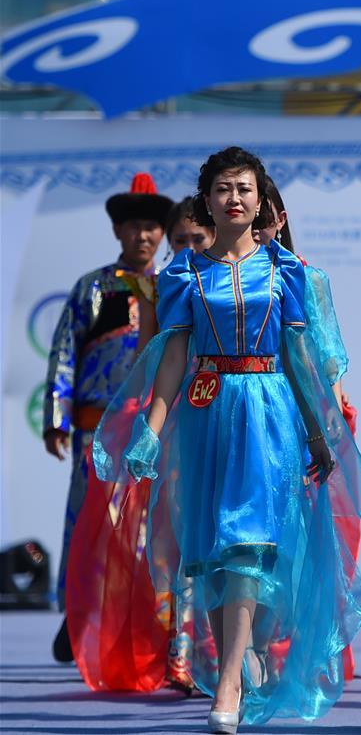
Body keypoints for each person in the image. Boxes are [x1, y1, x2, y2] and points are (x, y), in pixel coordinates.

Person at [93, 147, 361, 734]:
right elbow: (173, 355)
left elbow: (299, 356)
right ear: (207, 200)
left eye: (245, 188)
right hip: (207, 411)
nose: (235, 199)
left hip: (270, 412)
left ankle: (227, 678)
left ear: (260, 199)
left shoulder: (286, 271)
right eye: (224, 188)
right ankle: (236, 662)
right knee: (215, 551)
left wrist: (319, 432)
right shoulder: (184, 273)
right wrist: (150, 428)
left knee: (249, 542)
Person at [65, 198, 216, 694]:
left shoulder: (239, 280)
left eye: (199, 240)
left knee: (219, 538)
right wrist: (141, 424)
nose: (189, 249)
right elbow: (151, 361)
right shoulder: (159, 287)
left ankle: (223, 654)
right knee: (170, 544)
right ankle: (178, 654)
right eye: (181, 242)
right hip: (175, 426)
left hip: (224, 422)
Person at [43, 173, 172, 663]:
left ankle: (153, 628)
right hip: (97, 433)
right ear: (118, 232)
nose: (143, 236)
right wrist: (56, 417)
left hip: (156, 433)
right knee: (88, 526)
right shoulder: (92, 288)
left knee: (151, 531)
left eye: (152, 228)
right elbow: (64, 353)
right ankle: (75, 615)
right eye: (134, 227)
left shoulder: (174, 287)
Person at [254, 175, 361, 681]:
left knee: (299, 541)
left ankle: (287, 650)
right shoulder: (217, 273)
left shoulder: (307, 278)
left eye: (264, 217)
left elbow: (327, 356)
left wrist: (328, 419)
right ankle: (248, 650)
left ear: (280, 218)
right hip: (247, 415)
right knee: (250, 537)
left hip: (301, 422)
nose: (255, 227)